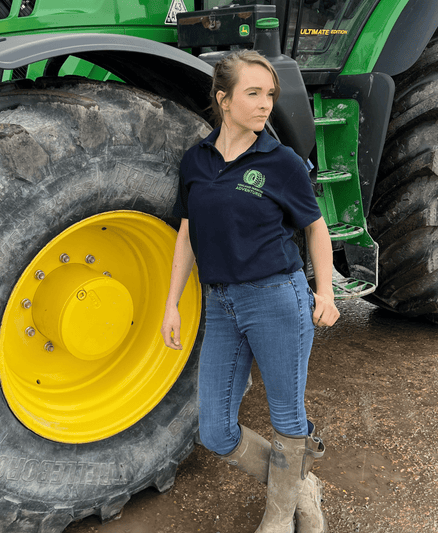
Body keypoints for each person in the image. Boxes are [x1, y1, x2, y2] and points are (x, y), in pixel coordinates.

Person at [161, 49, 340, 533]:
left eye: (270, 95)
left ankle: (279, 515)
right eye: (253, 93)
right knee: (215, 430)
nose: (265, 104)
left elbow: (316, 228)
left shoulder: (280, 161)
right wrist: (171, 304)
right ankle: (302, 483)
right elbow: (186, 234)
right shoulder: (195, 161)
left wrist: (324, 292)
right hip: (220, 302)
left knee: (287, 417)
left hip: (276, 298)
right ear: (223, 99)